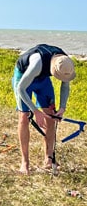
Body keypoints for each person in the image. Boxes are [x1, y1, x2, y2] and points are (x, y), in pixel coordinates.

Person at [12, 44, 76, 175]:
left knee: (51, 117)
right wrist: (35, 111)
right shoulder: (37, 62)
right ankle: (25, 162)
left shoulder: (65, 63)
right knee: (24, 117)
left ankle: (48, 158)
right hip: (24, 78)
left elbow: (65, 86)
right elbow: (21, 89)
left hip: (43, 81)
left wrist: (62, 107)